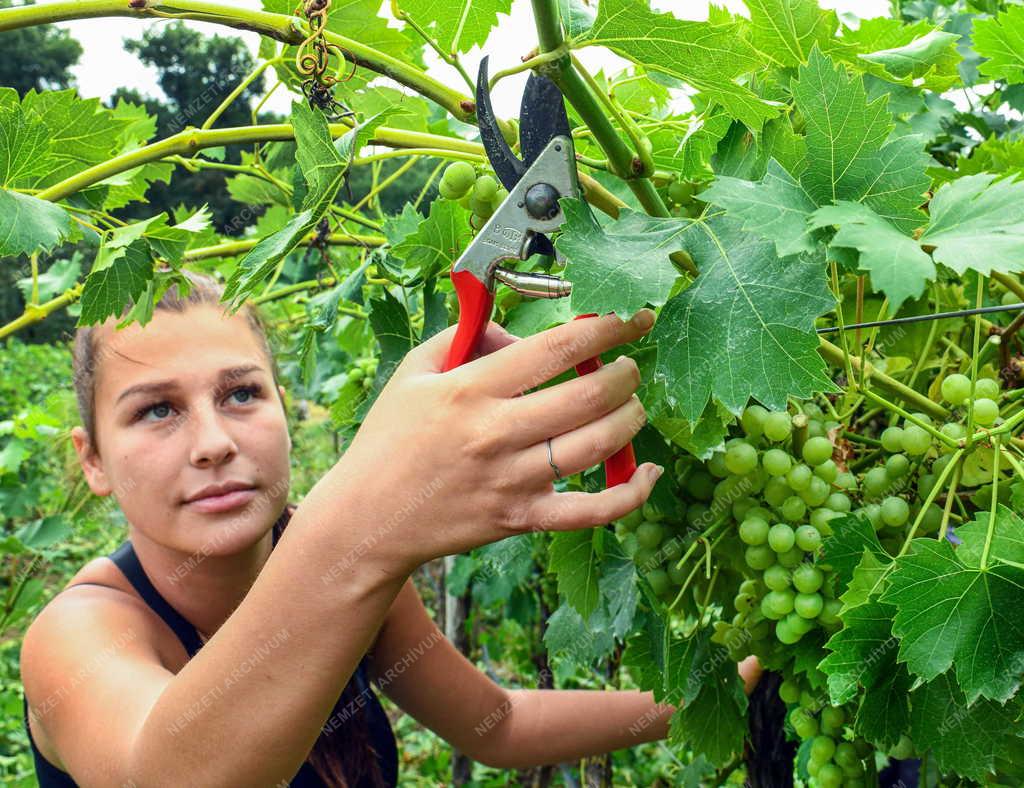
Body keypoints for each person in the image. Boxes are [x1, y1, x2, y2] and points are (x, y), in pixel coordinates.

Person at [20, 271, 761, 786]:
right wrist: (363, 529)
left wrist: (701, 700)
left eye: (241, 393)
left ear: (283, 407)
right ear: (94, 461)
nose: (213, 441)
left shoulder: (346, 566)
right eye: (157, 410)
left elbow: (495, 725)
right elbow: (169, 776)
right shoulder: (79, 636)